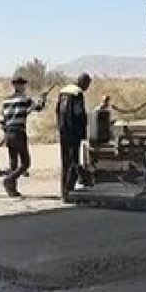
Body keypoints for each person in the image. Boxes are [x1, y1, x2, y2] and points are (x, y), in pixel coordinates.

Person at [0, 75, 46, 197]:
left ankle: (12, 190)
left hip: (8, 133)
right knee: (25, 163)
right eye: (23, 85)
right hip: (19, 132)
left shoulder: (6, 101)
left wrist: (6, 131)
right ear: (19, 86)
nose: (24, 87)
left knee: (13, 162)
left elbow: (1, 120)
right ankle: (9, 179)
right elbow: (39, 107)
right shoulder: (25, 99)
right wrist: (43, 99)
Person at [55, 72, 92, 201]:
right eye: (87, 84)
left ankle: (63, 192)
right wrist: (83, 131)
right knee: (73, 161)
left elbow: (57, 111)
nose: (87, 87)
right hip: (73, 132)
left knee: (65, 162)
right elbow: (78, 113)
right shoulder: (77, 93)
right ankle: (69, 190)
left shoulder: (63, 92)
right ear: (84, 82)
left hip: (63, 131)